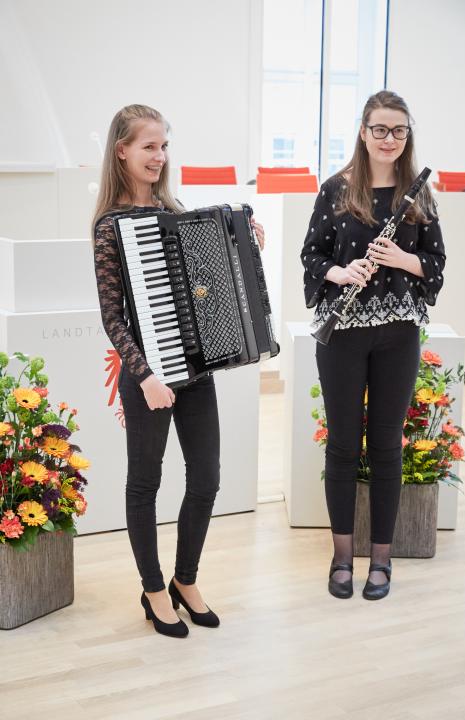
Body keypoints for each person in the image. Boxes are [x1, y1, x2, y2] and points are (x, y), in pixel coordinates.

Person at [92, 104, 265, 636]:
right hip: (147, 376)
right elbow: (113, 316)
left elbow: (205, 292)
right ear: (122, 150)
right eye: (149, 146)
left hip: (194, 370)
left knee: (207, 478)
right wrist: (145, 376)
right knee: (145, 483)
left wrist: (246, 249)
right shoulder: (109, 225)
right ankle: (152, 589)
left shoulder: (177, 211)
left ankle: (184, 580)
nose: (159, 156)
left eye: (164, 146)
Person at [300, 90, 446, 600]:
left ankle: (381, 560)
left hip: (398, 332)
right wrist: (341, 271)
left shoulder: (419, 195)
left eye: (399, 130)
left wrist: (400, 258)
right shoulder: (336, 190)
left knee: (386, 446)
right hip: (340, 333)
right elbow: (311, 256)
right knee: (343, 445)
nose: (389, 139)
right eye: (380, 129)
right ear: (363, 131)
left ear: (407, 136)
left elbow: (435, 265)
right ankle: (342, 555)